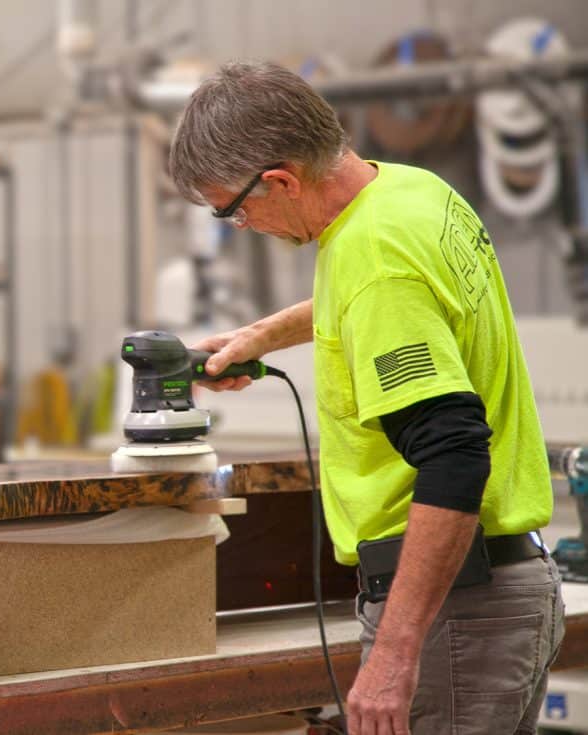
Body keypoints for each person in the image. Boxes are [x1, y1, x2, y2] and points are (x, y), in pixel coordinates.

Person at [169, 61, 564, 735]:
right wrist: (261, 336)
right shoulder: (409, 192)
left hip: (452, 617)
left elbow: (453, 453)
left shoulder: (371, 257)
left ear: (280, 181)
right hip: (500, 591)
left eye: (233, 211)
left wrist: (394, 655)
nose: (242, 225)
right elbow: (374, 300)